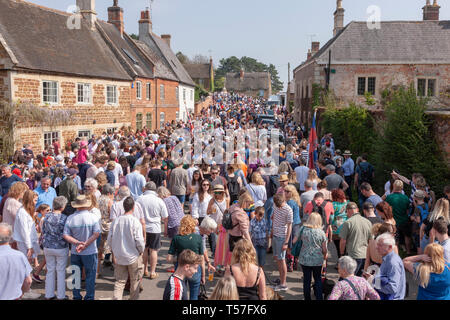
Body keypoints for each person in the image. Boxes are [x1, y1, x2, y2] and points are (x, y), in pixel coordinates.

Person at [63, 195, 101, 300]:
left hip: (76, 251)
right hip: (90, 251)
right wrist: (86, 244)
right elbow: (97, 233)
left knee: (75, 275)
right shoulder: (93, 217)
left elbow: (65, 235)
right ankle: (89, 297)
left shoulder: (70, 218)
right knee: (90, 275)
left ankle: (76, 296)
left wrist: (77, 243)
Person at [107, 197, 145, 300]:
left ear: (124, 207)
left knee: (119, 282)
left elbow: (110, 239)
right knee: (135, 281)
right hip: (133, 255)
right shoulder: (135, 221)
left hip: (119, 255)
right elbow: (139, 241)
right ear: (133, 207)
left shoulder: (116, 221)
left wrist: (113, 251)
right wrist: (141, 251)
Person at [167, 215, 205, 300]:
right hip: (195, 269)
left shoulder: (176, 238)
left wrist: (180, 258)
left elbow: (169, 258)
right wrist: (203, 275)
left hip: (181, 269)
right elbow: (201, 259)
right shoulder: (198, 238)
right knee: (194, 295)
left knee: (180, 294)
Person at [136, 182, 168, 280]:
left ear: (145, 188)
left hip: (142, 227)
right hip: (155, 228)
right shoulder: (159, 200)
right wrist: (165, 228)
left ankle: (145, 269)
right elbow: (165, 217)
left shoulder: (139, 199)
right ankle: (152, 272)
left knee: (144, 249)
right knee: (154, 250)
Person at [293, 212, 328, 300]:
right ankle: (319, 297)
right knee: (318, 279)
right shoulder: (321, 232)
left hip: (304, 259)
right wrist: (324, 256)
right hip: (317, 260)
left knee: (306, 280)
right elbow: (324, 249)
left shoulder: (303, 229)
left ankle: (307, 298)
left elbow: (295, 241)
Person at [42, 196, 69, 300]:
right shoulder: (64, 218)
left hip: (48, 246)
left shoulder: (46, 216)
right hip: (61, 247)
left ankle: (49, 294)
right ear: (62, 206)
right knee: (61, 271)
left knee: (50, 270)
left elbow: (43, 231)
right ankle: (61, 296)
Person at [0, 223, 34, 300]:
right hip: (15, 297)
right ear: (10, 236)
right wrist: (22, 292)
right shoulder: (20, 256)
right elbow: (28, 281)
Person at [339, 202, 372, 276]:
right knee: (360, 279)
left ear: (347, 211)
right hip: (365, 255)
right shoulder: (368, 222)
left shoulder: (348, 223)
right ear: (357, 209)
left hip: (353, 255)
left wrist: (341, 253)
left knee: (348, 277)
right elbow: (371, 240)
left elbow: (343, 241)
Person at [371, 232, 406, 300]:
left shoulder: (393, 262)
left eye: (380, 245)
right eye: (377, 244)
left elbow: (392, 288)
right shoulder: (387, 259)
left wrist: (375, 283)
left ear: (390, 247)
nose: (376, 247)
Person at [271, 192, 293, 291]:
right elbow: (274, 217)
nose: (279, 207)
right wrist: (272, 231)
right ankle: (281, 280)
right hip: (275, 235)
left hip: (282, 238)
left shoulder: (288, 209)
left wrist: (286, 242)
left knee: (282, 259)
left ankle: (283, 284)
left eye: (280, 205)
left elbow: (289, 227)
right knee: (278, 259)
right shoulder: (275, 205)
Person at [386, 180, 413, 255]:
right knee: (407, 236)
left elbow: (387, 209)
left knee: (395, 238)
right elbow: (408, 210)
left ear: (393, 186)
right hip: (404, 220)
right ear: (402, 187)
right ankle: (408, 251)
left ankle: (396, 253)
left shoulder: (389, 197)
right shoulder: (405, 198)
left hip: (394, 221)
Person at [330, 189, 348, 259]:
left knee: (338, 246)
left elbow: (331, 217)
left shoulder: (333, 205)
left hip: (336, 227)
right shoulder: (347, 203)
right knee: (345, 246)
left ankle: (340, 261)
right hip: (346, 225)